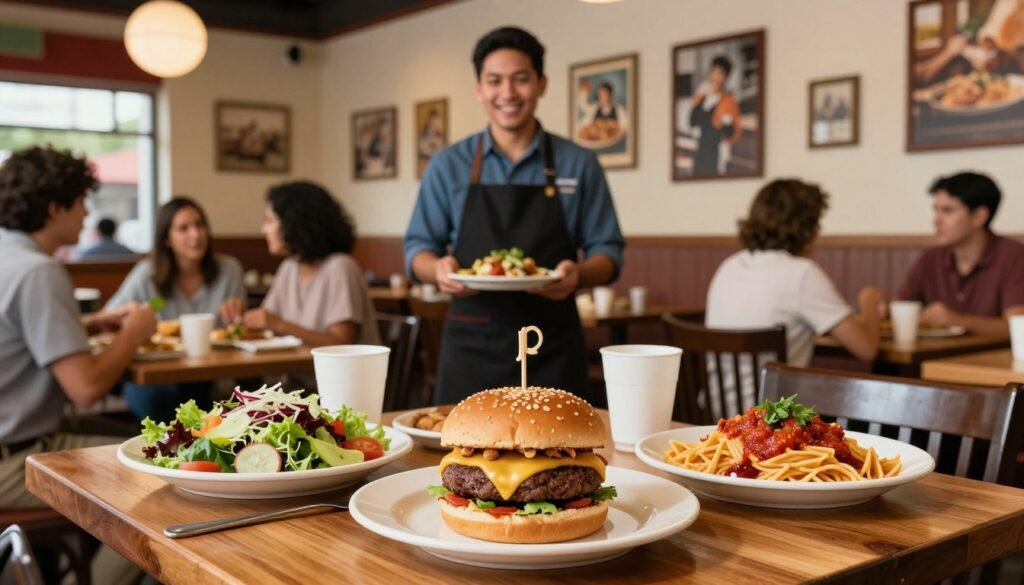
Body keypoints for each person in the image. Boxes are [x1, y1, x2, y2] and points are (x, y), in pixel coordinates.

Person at [403, 26, 625, 405]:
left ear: (541, 84)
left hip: (553, 344)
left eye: (521, 79)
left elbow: (608, 252)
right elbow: (417, 249)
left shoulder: (578, 163)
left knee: (562, 458)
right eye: (495, 81)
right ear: (479, 89)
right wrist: (438, 269)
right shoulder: (448, 165)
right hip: (471, 344)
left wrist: (577, 276)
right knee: (458, 460)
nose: (507, 93)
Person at [0, 146, 155, 583]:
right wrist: (132, 333)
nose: (88, 212)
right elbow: (86, 389)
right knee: (158, 482)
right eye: (82, 201)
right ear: (55, 208)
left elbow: (16, 331)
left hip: (15, 439)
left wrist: (87, 322)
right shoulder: (37, 272)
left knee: (144, 442)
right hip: (14, 458)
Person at [706, 179, 883, 368]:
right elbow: (867, 349)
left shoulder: (729, 266)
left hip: (713, 398)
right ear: (807, 230)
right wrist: (870, 301)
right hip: (772, 398)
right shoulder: (801, 274)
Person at [105, 197, 247, 420]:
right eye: (184, 228)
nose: (196, 234)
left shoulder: (228, 271)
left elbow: (237, 330)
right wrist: (134, 317)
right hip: (157, 378)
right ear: (167, 239)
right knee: (160, 403)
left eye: (200, 225)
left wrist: (238, 318)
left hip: (210, 375)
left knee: (229, 401)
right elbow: (110, 318)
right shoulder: (149, 277)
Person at [225, 181, 379, 351]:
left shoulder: (341, 267)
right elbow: (268, 322)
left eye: (269, 221)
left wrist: (280, 325)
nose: (264, 230)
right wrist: (242, 317)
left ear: (294, 224)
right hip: (293, 375)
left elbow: (341, 345)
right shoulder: (289, 268)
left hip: (338, 377)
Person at [896, 172, 1024, 336]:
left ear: (979, 217)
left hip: (990, 360)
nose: (936, 220)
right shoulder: (930, 259)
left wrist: (957, 320)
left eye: (947, 211)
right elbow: (903, 307)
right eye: (936, 210)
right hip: (933, 358)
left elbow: (1017, 328)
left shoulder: (1015, 257)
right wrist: (882, 305)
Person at [688, 55, 742, 176]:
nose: (716, 77)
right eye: (713, 72)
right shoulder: (700, 98)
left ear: (726, 77)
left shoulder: (728, 101)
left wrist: (724, 125)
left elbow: (732, 132)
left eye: (720, 73)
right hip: (700, 149)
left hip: (716, 151)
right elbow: (692, 121)